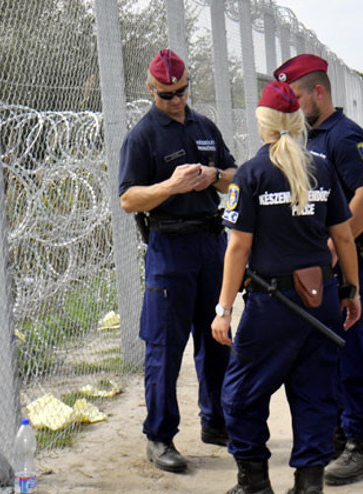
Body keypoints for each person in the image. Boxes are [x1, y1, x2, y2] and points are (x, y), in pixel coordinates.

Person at [211, 81, 361, 494]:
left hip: (271, 304)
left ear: (262, 125)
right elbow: (344, 237)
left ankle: (254, 482)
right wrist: (351, 291)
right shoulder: (322, 167)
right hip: (321, 299)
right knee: (315, 393)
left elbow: (238, 247)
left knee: (240, 394)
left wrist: (223, 310)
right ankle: (309, 484)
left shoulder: (252, 174)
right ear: (297, 122)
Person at [118, 48, 236, 473]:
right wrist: (170, 185)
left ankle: (217, 422)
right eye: (166, 94)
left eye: (181, 91)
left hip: (211, 244)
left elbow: (234, 176)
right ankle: (160, 436)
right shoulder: (143, 136)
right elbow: (129, 198)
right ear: (151, 90)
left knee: (217, 339)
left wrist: (214, 177)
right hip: (170, 249)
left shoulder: (205, 126)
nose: (175, 99)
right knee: (165, 348)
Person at [274, 54, 363, 486]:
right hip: (315, 269)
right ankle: (338, 435)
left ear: (318, 92)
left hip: (345, 265)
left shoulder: (343, 137)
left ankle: (362, 444)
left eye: (296, 95)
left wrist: (336, 248)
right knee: (325, 357)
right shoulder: (304, 137)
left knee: (351, 352)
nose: (293, 104)